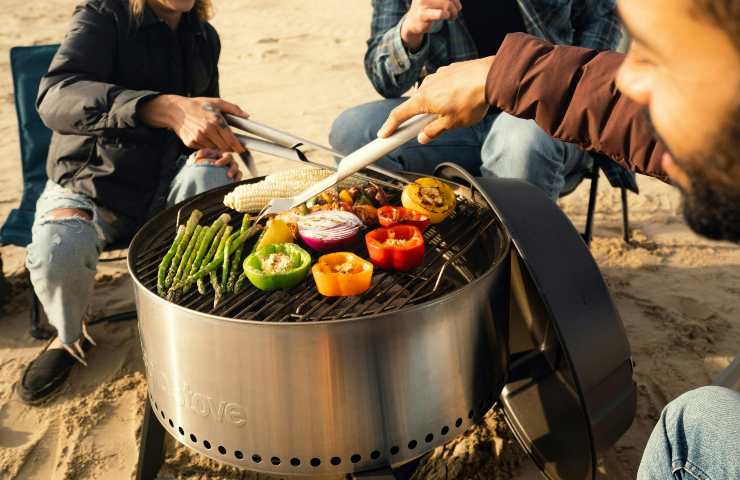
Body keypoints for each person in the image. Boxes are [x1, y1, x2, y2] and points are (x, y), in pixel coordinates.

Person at [377, 0, 740, 477]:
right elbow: (382, 75)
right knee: (354, 129)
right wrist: (416, 34)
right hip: (479, 107)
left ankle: (520, 316)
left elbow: (604, 50)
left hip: (529, 121)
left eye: (658, 55)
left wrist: (512, 79)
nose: (630, 79)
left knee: (696, 426)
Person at [18, 0, 248, 404]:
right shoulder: (103, 16)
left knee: (213, 177)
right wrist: (158, 106)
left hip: (165, 187)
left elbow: (204, 111)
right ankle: (67, 336)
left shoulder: (202, 35)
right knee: (62, 245)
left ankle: (186, 311)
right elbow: (55, 94)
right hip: (90, 187)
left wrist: (220, 145)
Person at [329, 0, 635, 201]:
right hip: (451, 120)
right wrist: (410, 29)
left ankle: (516, 273)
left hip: (541, 110)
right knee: (353, 131)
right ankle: (409, 248)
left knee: (518, 143)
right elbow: (383, 79)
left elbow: (606, 15)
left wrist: (575, 82)